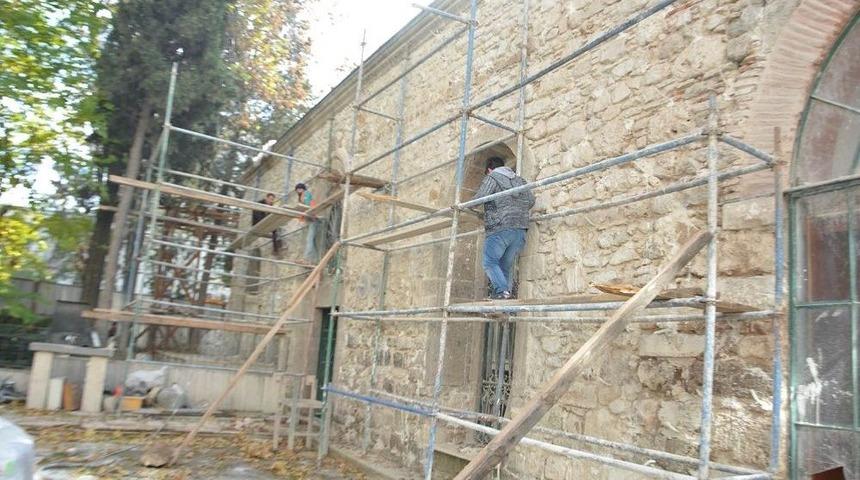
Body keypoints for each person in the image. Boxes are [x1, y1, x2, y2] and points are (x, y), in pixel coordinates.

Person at [472, 156, 535, 299]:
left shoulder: (492, 177)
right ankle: (503, 301)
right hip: (520, 229)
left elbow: (480, 197)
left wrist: (463, 207)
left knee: (489, 262)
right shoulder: (520, 180)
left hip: (499, 227)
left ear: (489, 170)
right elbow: (531, 201)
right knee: (503, 266)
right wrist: (516, 210)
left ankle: (501, 292)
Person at [295, 183, 318, 261]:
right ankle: (314, 260)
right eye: (297, 190)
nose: (298, 191)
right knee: (310, 239)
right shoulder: (302, 196)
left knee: (309, 239)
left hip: (312, 218)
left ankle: (306, 259)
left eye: (299, 189)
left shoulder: (306, 194)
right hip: (309, 219)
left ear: (302, 189)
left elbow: (307, 205)